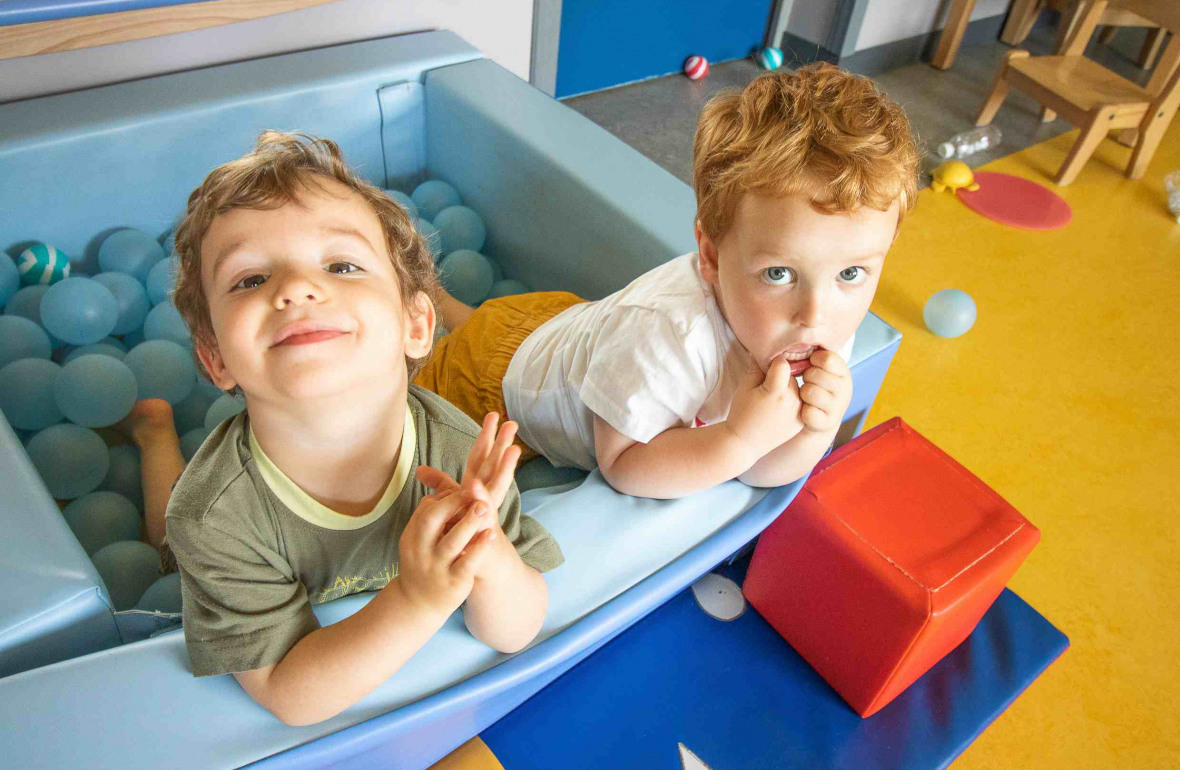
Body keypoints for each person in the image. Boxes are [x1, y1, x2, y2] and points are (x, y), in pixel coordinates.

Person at [126, 130, 562, 727]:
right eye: (250, 279)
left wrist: (486, 553)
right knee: (166, 548)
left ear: (416, 325)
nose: (297, 288)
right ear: (216, 358)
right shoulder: (213, 516)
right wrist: (417, 599)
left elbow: (515, 630)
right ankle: (155, 436)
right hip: (216, 531)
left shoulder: (460, 452)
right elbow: (287, 694)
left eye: (341, 265)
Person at [416, 63, 921, 499]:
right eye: (778, 274)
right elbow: (623, 465)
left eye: (851, 273)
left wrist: (812, 431)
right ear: (711, 255)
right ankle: (424, 297)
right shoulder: (666, 336)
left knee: (475, 321)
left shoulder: (824, 323)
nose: (815, 313)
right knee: (409, 413)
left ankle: (438, 301)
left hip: (567, 335)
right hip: (498, 388)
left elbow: (759, 470)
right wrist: (737, 440)